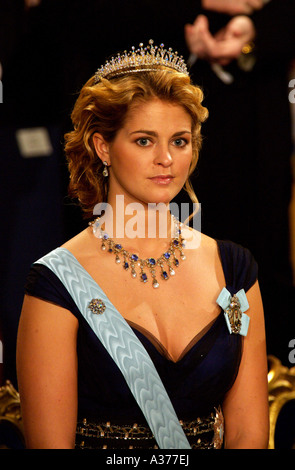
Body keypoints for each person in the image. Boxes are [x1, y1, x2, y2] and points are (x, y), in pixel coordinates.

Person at [16, 40, 269, 449]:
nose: (166, 158)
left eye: (180, 141)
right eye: (144, 141)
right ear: (103, 147)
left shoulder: (235, 269)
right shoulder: (56, 284)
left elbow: (248, 435)